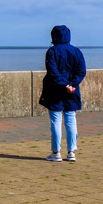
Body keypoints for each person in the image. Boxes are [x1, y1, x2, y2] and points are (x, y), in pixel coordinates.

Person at [38, 25, 86, 162]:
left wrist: (65, 84)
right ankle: (71, 152)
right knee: (71, 120)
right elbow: (81, 71)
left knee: (56, 121)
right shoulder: (77, 51)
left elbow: (53, 72)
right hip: (72, 91)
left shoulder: (52, 51)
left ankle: (56, 152)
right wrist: (72, 84)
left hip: (54, 91)